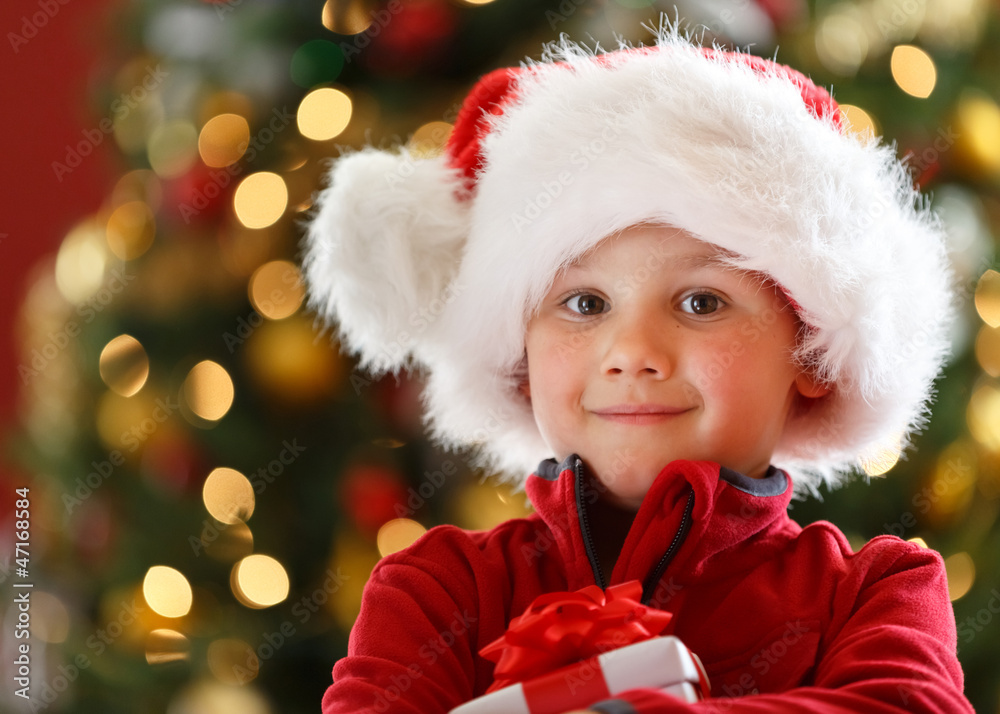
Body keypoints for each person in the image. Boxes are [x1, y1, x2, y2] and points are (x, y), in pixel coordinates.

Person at [302, 21, 974, 714]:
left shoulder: (878, 592)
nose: (633, 353)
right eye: (585, 302)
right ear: (519, 355)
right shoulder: (437, 589)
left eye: (701, 301)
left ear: (810, 351)